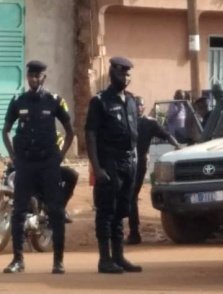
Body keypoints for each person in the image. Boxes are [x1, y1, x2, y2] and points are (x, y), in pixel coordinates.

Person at [2, 60, 74, 274]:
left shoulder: (54, 102)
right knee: (18, 212)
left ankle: (58, 262)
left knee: (56, 211)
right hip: (25, 164)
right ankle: (17, 260)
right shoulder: (18, 101)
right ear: (28, 77)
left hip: (48, 164)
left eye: (38, 76)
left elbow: (70, 131)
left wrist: (59, 157)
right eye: (31, 76)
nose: (34, 79)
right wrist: (14, 158)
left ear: (44, 78)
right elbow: (5, 130)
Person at [85, 56, 142, 273]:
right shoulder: (99, 101)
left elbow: (134, 134)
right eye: (121, 73)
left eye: (128, 74)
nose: (125, 78)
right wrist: (96, 167)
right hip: (109, 161)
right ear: (111, 74)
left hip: (128, 163)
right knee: (106, 211)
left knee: (121, 211)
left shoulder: (130, 101)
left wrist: (135, 161)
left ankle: (119, 257)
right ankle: (105, 259)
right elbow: (90, 135)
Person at [126, 97, 182, 245]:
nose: (138, 107)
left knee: (132, 196)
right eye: (136, 105)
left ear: (144, 107)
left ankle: (134, 232)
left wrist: (178, 146)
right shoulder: (126, 121)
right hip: (126, 162)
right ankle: (132, 231)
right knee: (128, 196)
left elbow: (166, 135)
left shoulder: (149, 123)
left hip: (140, 162)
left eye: (140, 105)